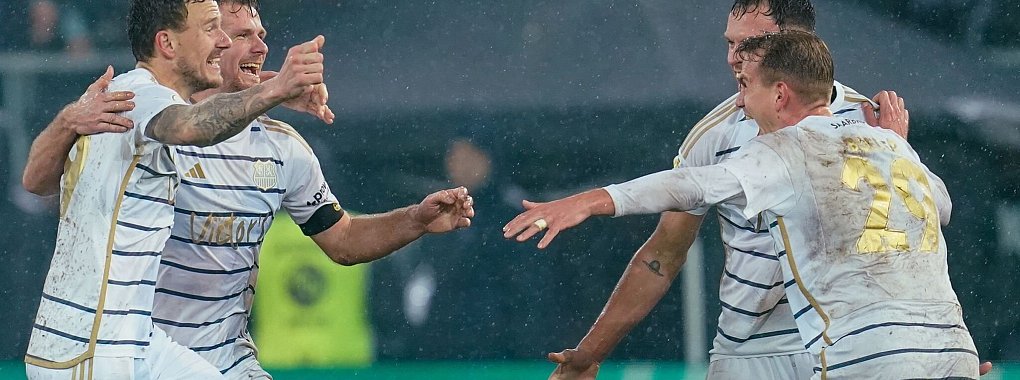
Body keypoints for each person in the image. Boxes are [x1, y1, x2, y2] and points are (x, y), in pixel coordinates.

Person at [22, 1, 476, 378]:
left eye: (256, 34)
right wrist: (278, 87)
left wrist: (414, 219)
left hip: (207, 354)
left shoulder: (281, 149)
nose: (253, 45)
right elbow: (186, 126)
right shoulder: (142, 105)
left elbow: (344, 239)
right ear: (176, 42)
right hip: (118, 345)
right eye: (230, 33)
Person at [504, 30, 979, 379]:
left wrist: (591, 201)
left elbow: (689, 187)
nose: (740, 102)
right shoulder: (888, 144)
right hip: (954, 350)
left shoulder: (785, 150)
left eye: (746, 85)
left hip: (869, 359)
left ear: (779, 93)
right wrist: (899, 147)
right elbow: (941, 207)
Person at [20, 0, 328, 378]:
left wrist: (269, 85)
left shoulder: (116, 99)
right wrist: (275, 88)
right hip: (95, 347)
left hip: (137, 342)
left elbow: (34, 180)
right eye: (211, 29)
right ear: (167, 44)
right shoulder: (140, 95)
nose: (221, 42)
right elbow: (192, 126)